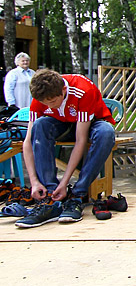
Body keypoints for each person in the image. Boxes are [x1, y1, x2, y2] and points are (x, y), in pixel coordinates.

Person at [16, 69, 116, 229]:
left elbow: (80, 140)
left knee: (106, 133)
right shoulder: (40, 98)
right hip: (62, 123)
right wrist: (34, 182)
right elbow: (27, 142)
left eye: (53, 101)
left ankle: (77, 195)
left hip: (90, 123)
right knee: (40, 125)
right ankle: (50, 196)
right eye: (45, 103)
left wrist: (65, 182)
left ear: (63, 90)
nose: (49, 105)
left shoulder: (83, 91)